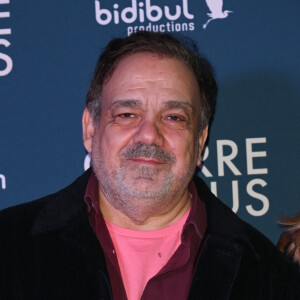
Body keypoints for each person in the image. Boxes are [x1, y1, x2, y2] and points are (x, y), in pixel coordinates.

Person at [0, 31, 299, 300]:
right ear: (90, 129)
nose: (149, 135)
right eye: (127, 114)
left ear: (199, 141)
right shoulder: (8, 248)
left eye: (174, 117)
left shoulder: (272, 278)